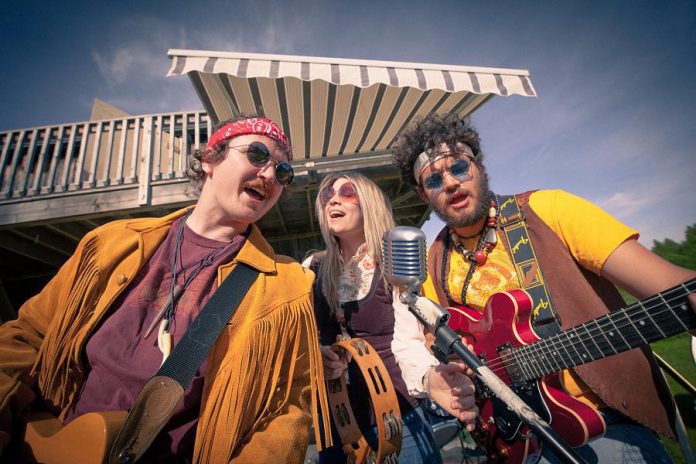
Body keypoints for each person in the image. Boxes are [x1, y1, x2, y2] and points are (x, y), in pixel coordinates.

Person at [0, 115, 331, 463]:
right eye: (258, 154)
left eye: (282, 172)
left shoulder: (287, 285)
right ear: (209, 160)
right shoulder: (113, 242)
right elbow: (29, 336)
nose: (269, 175)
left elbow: (288, 408)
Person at [390, 112, 696, 463]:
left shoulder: (549, 209)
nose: (450, 183)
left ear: (479, 167)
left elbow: (668, 283)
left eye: (459, 168)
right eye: (433, 180)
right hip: (512, 435)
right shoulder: (431, 261)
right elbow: (430, 345)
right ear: (422, 194)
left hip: (603, 423)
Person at [304, 171, 478, 464]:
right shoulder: (311, 267)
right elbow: (302, 336)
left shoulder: (393, 262)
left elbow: (407, 341)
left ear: (368, 203)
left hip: (398, 419)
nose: (333, 199)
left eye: (347, 191)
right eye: (327, 196)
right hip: (336, 423)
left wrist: (429, 377)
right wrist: (316, 357)